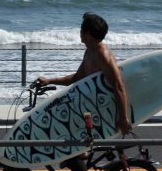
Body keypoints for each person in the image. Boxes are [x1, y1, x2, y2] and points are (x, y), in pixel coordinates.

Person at [37, 12, 132, 171]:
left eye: (81, 29)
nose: (79, 32)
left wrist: (123, 118)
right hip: (88, 109)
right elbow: (76, 77)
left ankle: (79, 156)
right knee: (65, 138)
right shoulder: (90, 51)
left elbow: (118, 86)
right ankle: (82, 155)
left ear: (87, 33)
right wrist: (49, 80)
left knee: (68, 149)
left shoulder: (103, 55)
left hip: (101, 112)